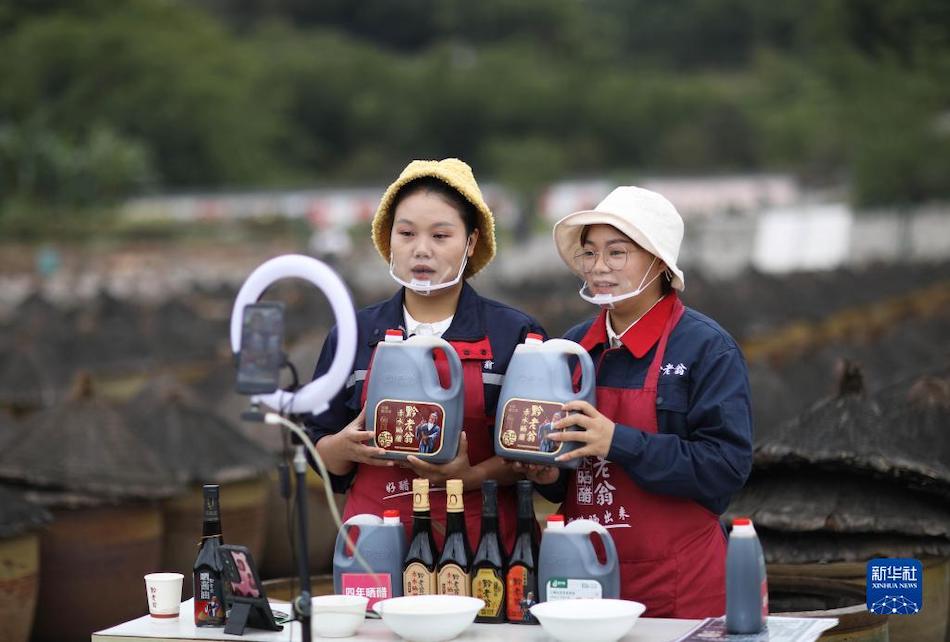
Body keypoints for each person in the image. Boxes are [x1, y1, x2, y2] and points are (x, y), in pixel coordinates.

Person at [520, 186, 753, 618]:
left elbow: (726, 467)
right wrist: (545, 470)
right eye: (589, 253)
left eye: (617, 253)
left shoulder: (706, 347)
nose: (599, 267)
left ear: (659, 261)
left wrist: (617, 441)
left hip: (680, 585)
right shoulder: (571, 348)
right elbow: (561, 484)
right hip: (581, 578)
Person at [305, 158, 546, 549]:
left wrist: (471, 475)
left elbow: (538, 458)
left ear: (470, 242)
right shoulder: (353, 335)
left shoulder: (516, 335)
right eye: (406, 233)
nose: (421, 250)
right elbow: (316, 448)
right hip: (374, 544)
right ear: (388, 239)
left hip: (483, 544)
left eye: (440, 236)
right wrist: (340, 448)